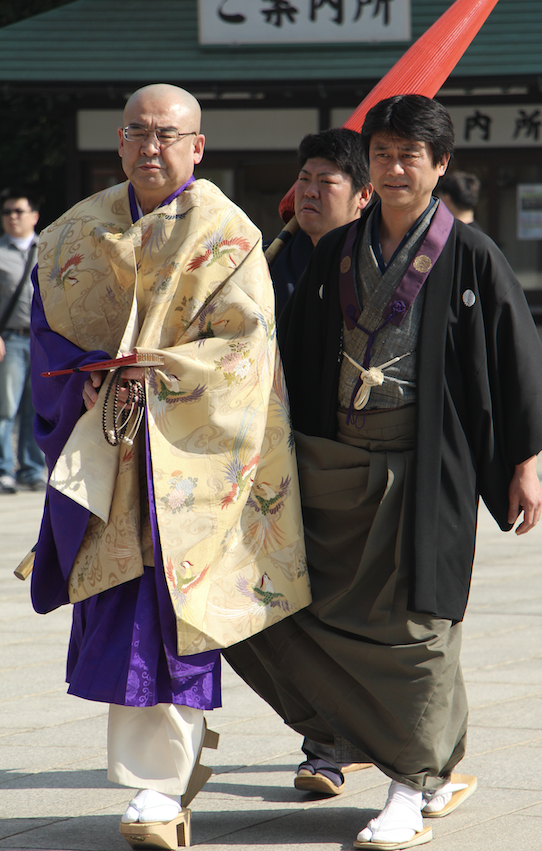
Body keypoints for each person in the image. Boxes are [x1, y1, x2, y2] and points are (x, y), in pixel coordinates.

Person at [224, 95, 542, 850]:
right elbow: (293, 361)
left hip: (427, 470)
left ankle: (409, 785)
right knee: (284, 608)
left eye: (411, 154)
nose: (394, 166)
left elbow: (515, 364)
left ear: (440, 166)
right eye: (382, 153)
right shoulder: (337, 251)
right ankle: (378, 749)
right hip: (335, 468)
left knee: (419, 630)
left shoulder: (471, 254)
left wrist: (523, 466)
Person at [29, 83, 309, 850]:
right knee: (122, 620)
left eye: (167, 135)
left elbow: (246, 348)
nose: (150, 147)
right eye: (137, 133)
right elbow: (46, 339)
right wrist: (83, 373)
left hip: (188, 463)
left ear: (197, 146)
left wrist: (157, 372)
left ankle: (162, 787)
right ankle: (158, 783)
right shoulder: (72, 235)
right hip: (112, 455)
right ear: (120, 141)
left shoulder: (227, 231)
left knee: (174, 619)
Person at [269, 127, 372, 315]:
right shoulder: (266, 263)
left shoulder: (377, 263)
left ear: (363, 195)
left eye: (326, 182)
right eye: (304, 178)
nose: (310, 191)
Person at [0, 189, 46, 493]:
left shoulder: (50, 249)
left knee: (38, 407)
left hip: (43, 342)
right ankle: (4, 470)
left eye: (18, 211)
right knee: (6, 408)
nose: (12, 217)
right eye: (7, 212)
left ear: (34, 216)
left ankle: (32, 470)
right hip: (10, 340)